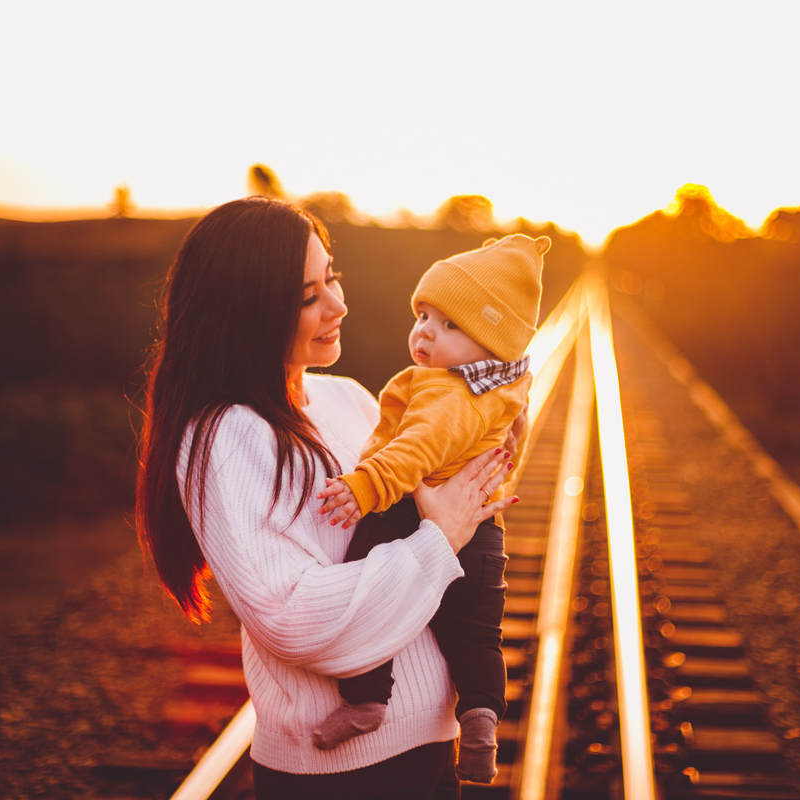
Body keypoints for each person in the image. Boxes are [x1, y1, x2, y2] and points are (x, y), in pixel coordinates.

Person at [134, 196, 519, 800]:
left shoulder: (350, 399)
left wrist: (487, 456)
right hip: (346, 780)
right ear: (251, 313)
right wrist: (439, 540)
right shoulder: (225, 438)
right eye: (309, 296)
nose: (339, 303)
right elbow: (293, 618)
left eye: (331, 277)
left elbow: (452, 511)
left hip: (427, 753)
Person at [312, 235, 548, 784]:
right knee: (477, 633)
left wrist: (366, 486)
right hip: (484, 533)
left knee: (368, 584)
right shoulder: (504, 387)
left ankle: (367, 699)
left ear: (490, 344)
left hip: (408, 514)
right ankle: (482, 720)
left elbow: (416, 447)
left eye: (449, 326)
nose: (425, 332)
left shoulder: (447, 392)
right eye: (423, 315)